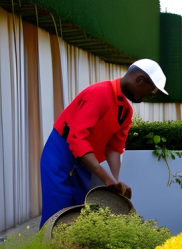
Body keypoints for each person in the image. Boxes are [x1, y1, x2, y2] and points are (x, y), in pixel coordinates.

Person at [39, 59, 168, 228]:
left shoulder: (126, 112)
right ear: (140, 80)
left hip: (85, 162)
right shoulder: (100, 92)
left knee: (79, 209)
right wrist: (107, 179)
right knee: (57, 208)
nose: (148, 96)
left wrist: (115, 181)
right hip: (60, 153)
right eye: (149, 91)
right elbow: (77, 138)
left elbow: (114, 148)